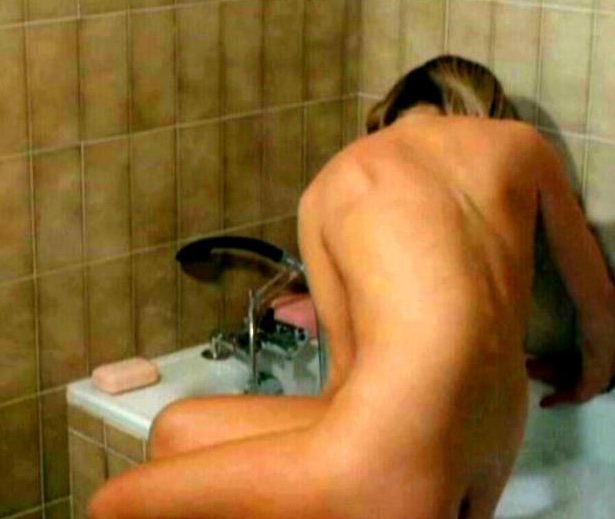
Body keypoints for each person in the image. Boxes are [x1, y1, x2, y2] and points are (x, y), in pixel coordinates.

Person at [88, 55, 615, 519]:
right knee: (175, 430)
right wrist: (588, 378)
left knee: (111, 506)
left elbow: (344, 387)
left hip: (390, 468)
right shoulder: (523, 147)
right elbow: (600, 315)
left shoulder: (333, 185)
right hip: (486, 461)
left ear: (385, 114)